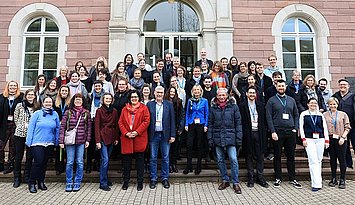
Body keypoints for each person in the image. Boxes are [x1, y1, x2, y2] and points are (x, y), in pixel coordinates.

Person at [265, 79, 302, 189]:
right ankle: (278, 178)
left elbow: (296, 114)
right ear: (276, 87)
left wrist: (295, 128)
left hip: (290, 131)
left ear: (285, 87)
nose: (281, 88)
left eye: (282, 86)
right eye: (279, 86)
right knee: (277, 156)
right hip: (277, 131)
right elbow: (268, 117)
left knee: (290, 156)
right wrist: (272, 131)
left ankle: (292, 178)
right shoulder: (271, 101)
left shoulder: (291, 100)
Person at [208, 88, 242, 194]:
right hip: (218, 137)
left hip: (231, 137)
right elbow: (210, 124)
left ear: (227, 96)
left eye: (223, 95)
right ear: (217, 96)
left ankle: (235, 182)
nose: (222, 97)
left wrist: (239, 138)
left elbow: (238, 123)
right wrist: (210, 138)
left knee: (233, 159)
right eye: (219, 95)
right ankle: (225, 179)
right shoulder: (213, 108)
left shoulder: (234, 107)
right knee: (220, 160)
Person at [26, 96, 60, 193]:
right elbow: (31, 128)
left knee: (44, 163)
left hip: (49, 142)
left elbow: (57, 128)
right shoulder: (37, 114)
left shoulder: (55, 114)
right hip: (37, 142)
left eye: (50, 102)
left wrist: (56, 141)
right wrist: (29, 141)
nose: (48, 104)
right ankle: (32, 182)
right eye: (46, 102)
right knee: (38, 162)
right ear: (42, 103)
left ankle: (41, 181)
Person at [59, 93, 91, 192]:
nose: (78, 101)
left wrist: (88, 140)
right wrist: (61, 140)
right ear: (73, 101)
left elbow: (89, 128)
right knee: (69, 162)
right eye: (76, 99)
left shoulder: (86, 113)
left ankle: (77, 181)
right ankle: (69, 182)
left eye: (80, 100)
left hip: (81, 141)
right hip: (70, 141)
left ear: (82, 102)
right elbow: (62, 127)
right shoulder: (68, 112)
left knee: (80, 162)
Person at [119, 90, 150, 191]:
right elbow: (120, 123)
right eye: (132, 97)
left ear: (139, 98)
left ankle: (140, 182)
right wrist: (126, 133)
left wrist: (137, 132)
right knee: (126, 163)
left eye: (136, 97)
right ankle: (126, 182)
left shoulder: (144, 108)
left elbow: (146, 121)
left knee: (140, 163)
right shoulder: (124, 109)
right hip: (127, 138)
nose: (134, 99)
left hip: (139, 138)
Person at [146, 86, 176, 189]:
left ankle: (165, 178)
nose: (159, 94)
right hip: (153, 135)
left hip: (165, 135)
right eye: (157, 92)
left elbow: (172, 120)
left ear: (164, 93)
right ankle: (153, 179)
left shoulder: (169, 104)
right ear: (154, 93)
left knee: (165, 158)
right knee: (153, 158)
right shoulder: (149, 104)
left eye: (161, 92)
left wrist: (173, 135)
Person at [240, 86, 269, 188]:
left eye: (253, 93)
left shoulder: (261, 105)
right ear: (247, 94)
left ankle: (260, 177)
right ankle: (251, 178)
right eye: (250, 93)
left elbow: (265, 121)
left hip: (259, 133)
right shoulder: (242, 106)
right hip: (248, 133)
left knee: (260, 156)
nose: (252, 95)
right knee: (249, 156)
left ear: (256, 95)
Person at [299, 98, 329, 191]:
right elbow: (301, 127)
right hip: (309, 139)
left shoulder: (320, 115)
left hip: (320, 139)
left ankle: (318, 181)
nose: (313, 104)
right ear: (308, 104)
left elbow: (324, 128)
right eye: (311, 103)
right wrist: (303, 139)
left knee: (319, 160)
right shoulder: (304, 114)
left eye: (315, 103)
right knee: (313, 161)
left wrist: (326, 140)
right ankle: (316, 184)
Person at [13, 89, 38, 188]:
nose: (31, 96)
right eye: (29, 94)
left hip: (32, 135)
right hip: (20, 134)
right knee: (18, 156)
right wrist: (21, 126)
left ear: (35, 96)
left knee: (29, 157)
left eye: (32, 94)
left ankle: (27, 176)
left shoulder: (37, 107)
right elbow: (16, 118)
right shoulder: (20, 105)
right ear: (26, 96)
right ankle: (17, 177)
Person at [323, 97, 351, 189]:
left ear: (337, 104)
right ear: (328, 105)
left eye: (334, 104)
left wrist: (343, 137)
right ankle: (333, 178)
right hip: (330, 139)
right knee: (332, 159)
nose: (332, 106)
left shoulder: (343, 114)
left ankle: (342, 179)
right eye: (330, 104)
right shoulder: (324, 114)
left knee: (342, 159)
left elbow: (347, 127)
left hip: (341, 139)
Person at [95, 93, 119, 191]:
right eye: (106, 98)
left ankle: (105, 178)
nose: (108, 100)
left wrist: (116, 138)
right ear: (103, 99)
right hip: (103, 137)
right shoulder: (99, 111)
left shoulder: (114, 111)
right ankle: (103, 183)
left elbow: (116, 125)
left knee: (107, 160)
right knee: (105, 160)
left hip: (112, 137)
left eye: (110, 98)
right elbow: (96, 126)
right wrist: (97, 141)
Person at [184, 85, 209, 175]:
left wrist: (206, 125)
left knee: (199, 145)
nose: (197, 92)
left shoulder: (204, 101)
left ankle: (198, 166)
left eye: (198, 90)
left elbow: (207, 113)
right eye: (195, 90)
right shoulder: (190, 101)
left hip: (201, 124)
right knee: (189, 145)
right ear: (192, 91)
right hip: (191, 123)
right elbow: (187, 113)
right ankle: (189, 165)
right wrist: (186, 124)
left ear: (201, 91)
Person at [0, 81, 24, 173]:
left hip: (15, 125)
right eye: (11, 85)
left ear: (17, 87)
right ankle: (1, 163)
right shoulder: (2, 97)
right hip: (4, 125)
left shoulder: (21, 97)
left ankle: (10, 164)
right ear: (8, 87)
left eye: (15, 86)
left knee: (12, 146)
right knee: (1, 145)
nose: (12, 87)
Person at [332, 78, 355, 168]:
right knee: (345, 147)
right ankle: (348, 165)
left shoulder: (353, 96)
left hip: (353, 125)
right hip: (341, 127)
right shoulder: (335, 96)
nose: (342, 86)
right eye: (341, 85)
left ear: (348, 86)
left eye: (344, 85)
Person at [164, 87, 184, 173]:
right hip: (166, 128)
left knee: (174, 149)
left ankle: (174, 165)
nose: (172, 93)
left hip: (175, 128)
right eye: (170, 91)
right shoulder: (164, 102)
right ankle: (169, 166)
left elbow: (182, 115)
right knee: (167, 149)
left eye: (173, 92)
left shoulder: (179, 102)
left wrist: (180, 127)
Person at [87, 81, 105, 173]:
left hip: (101, 123)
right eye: (96, 86)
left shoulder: (105, 96)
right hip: (91, 121)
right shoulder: (90, 96)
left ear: (102, 87)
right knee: (91, 144)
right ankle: (89, 165)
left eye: (99, 86)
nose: (97, 87)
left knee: (99, 144)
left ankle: (97, 163)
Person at [53, 85, 71, 175]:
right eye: (62, 91)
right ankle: (59, 167)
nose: (64, 92)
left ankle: (67, 166)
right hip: (57, 127)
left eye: (66, 91)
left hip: (68, 127)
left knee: (67, 147)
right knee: (58, 147)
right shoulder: (55, 102)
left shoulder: (70, 103)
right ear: (60, 92)